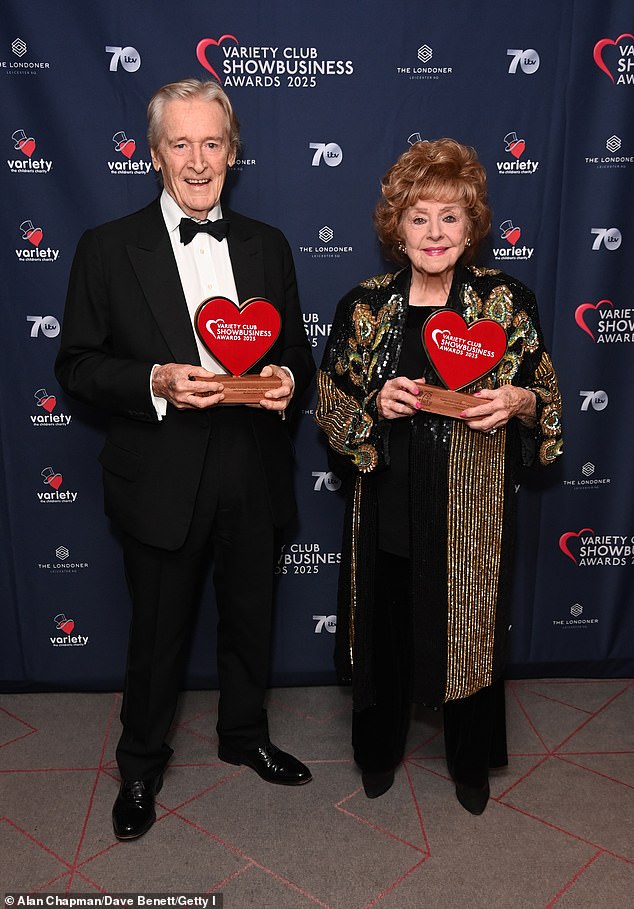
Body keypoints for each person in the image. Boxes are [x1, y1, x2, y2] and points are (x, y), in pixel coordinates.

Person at [55, 79, 315, 840]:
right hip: (161, 471)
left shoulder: (267, 244)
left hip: (252, 466)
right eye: (181, 143)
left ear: (233, 153)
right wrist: (155, 380)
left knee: (250, 619)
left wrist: (288, 380)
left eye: (212, 143)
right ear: (153, 152)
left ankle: (245, 734)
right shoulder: (107, 247)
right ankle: (139, 766)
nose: (197, 161)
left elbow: (295, 347)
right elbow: (75, 364)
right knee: (157, 634)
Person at [315, 139, 562, 814]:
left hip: (473, 502)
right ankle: (377, 750)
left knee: (469, 625)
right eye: (418, 217)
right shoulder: (363, 305)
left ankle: (470, 761)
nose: (433, 233)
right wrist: (375, 404)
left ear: (471, 225)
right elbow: (330, 399)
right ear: (395, 226)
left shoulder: (506, 302)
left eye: (449, 217)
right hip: (390, 496)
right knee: (388, 622)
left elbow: (544, 393)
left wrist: (516, 400)